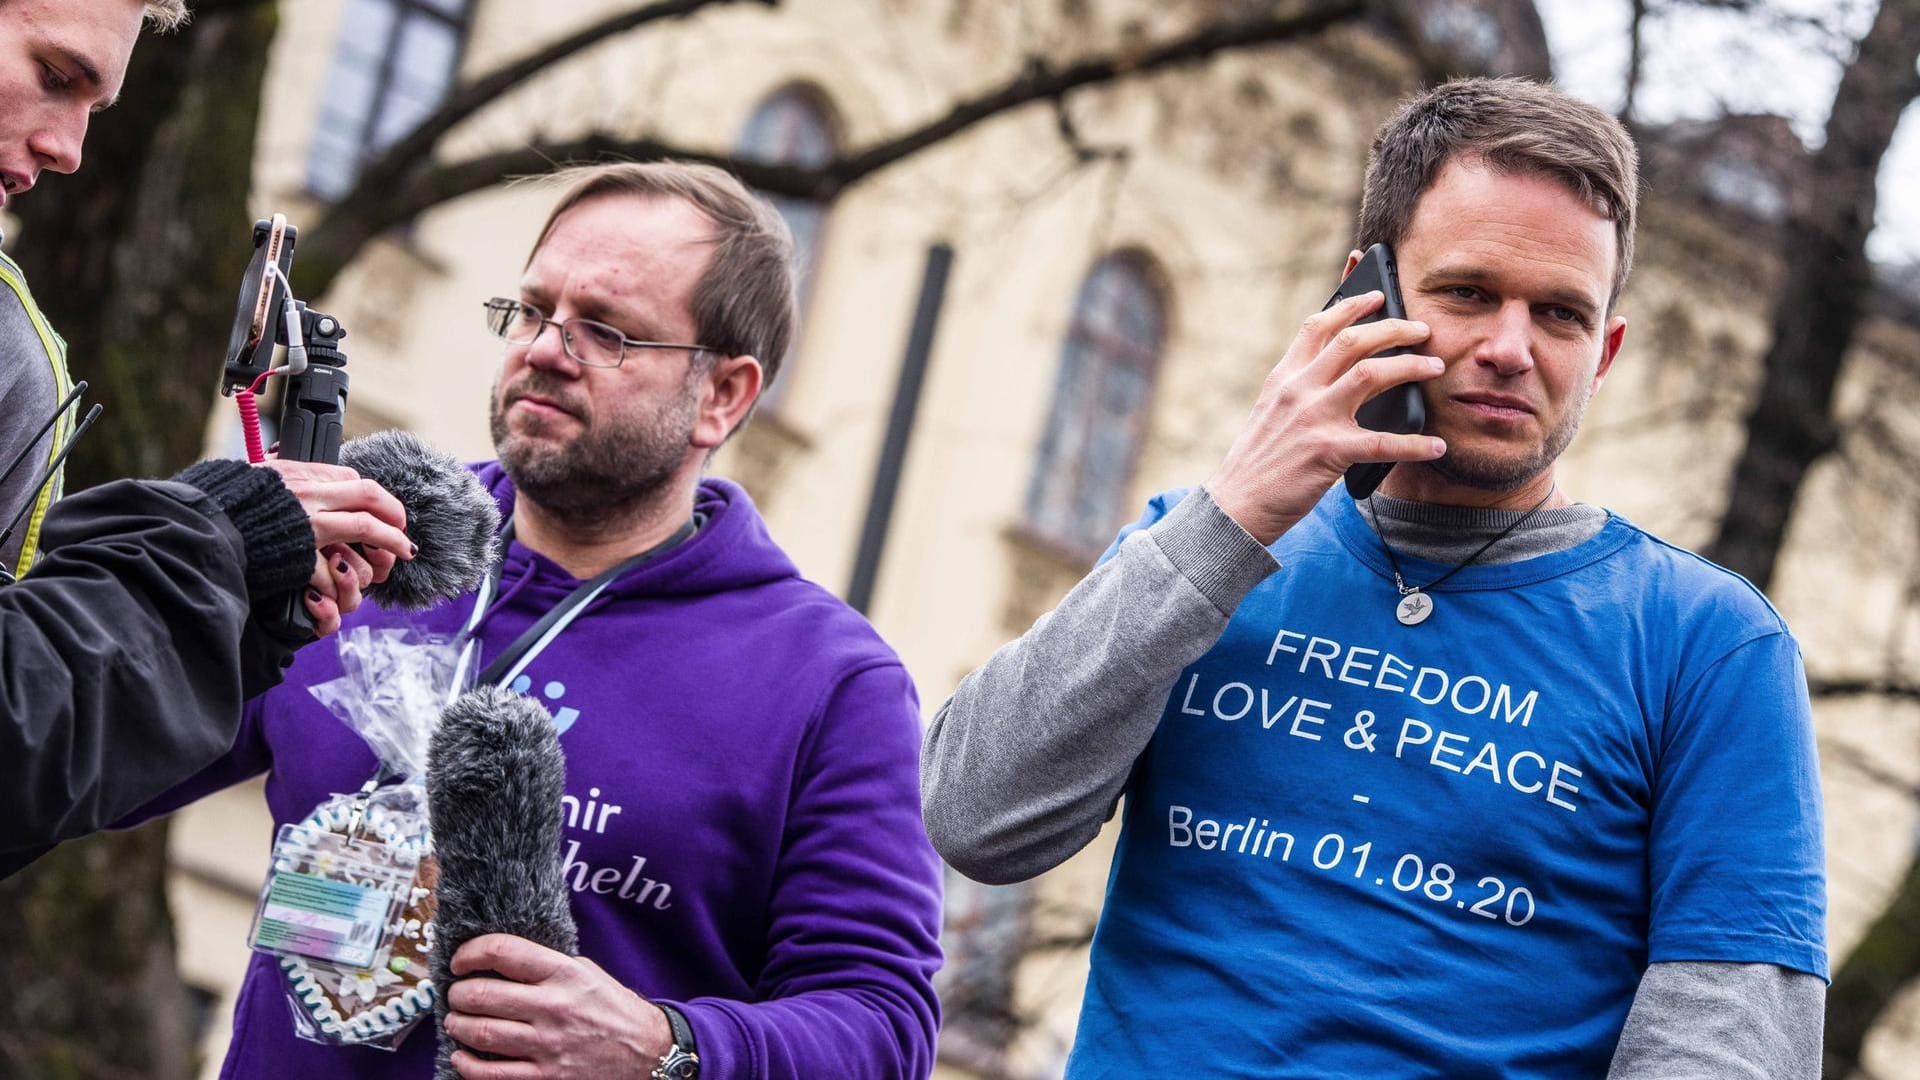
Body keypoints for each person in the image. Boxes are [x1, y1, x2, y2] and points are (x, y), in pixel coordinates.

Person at [922, 77, 1826, 1077]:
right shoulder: (1198, 553)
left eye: (1561, 314)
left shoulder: (1708, 648)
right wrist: (1233, 515)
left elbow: (1728, 1040)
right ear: (1368, 295)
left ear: (1603, 350)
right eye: (1469, 292)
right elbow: (976, 818)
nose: (1510, 350)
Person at [135, 161, 944, 1080]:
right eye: (532, 310)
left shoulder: (830, 683)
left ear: (723, 394)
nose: (546, 349)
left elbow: (883, 1029)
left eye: (606, 330)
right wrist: (195, 562)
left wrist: (667, 1049)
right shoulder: (362, 543)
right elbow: (97, 760)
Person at [0, 0, 415, 878]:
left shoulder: (16, 353)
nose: (69, 149)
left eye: (92, 107)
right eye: (54, 76)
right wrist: (218, 539)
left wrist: (236, 618)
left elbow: (22, 763)